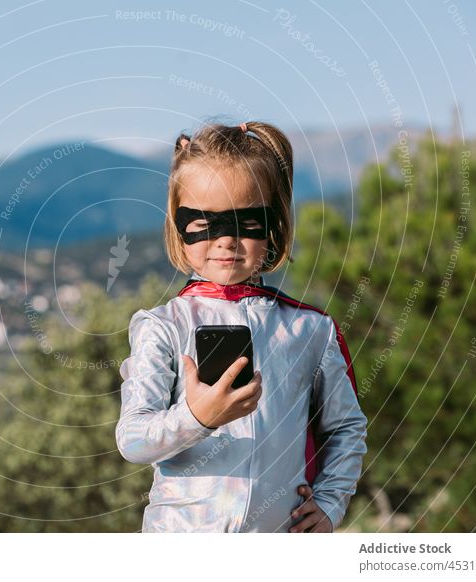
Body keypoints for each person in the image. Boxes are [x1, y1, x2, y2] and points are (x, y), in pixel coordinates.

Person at [115, 120, 368, 533]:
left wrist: (329, 501)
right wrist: (197, 417)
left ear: (274, 225)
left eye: (246, 221)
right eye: (203, 224)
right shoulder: (162, 328)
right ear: (180, 233)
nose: (226, 241)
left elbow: (345, 427)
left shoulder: (311, 330)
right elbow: (134, 439)